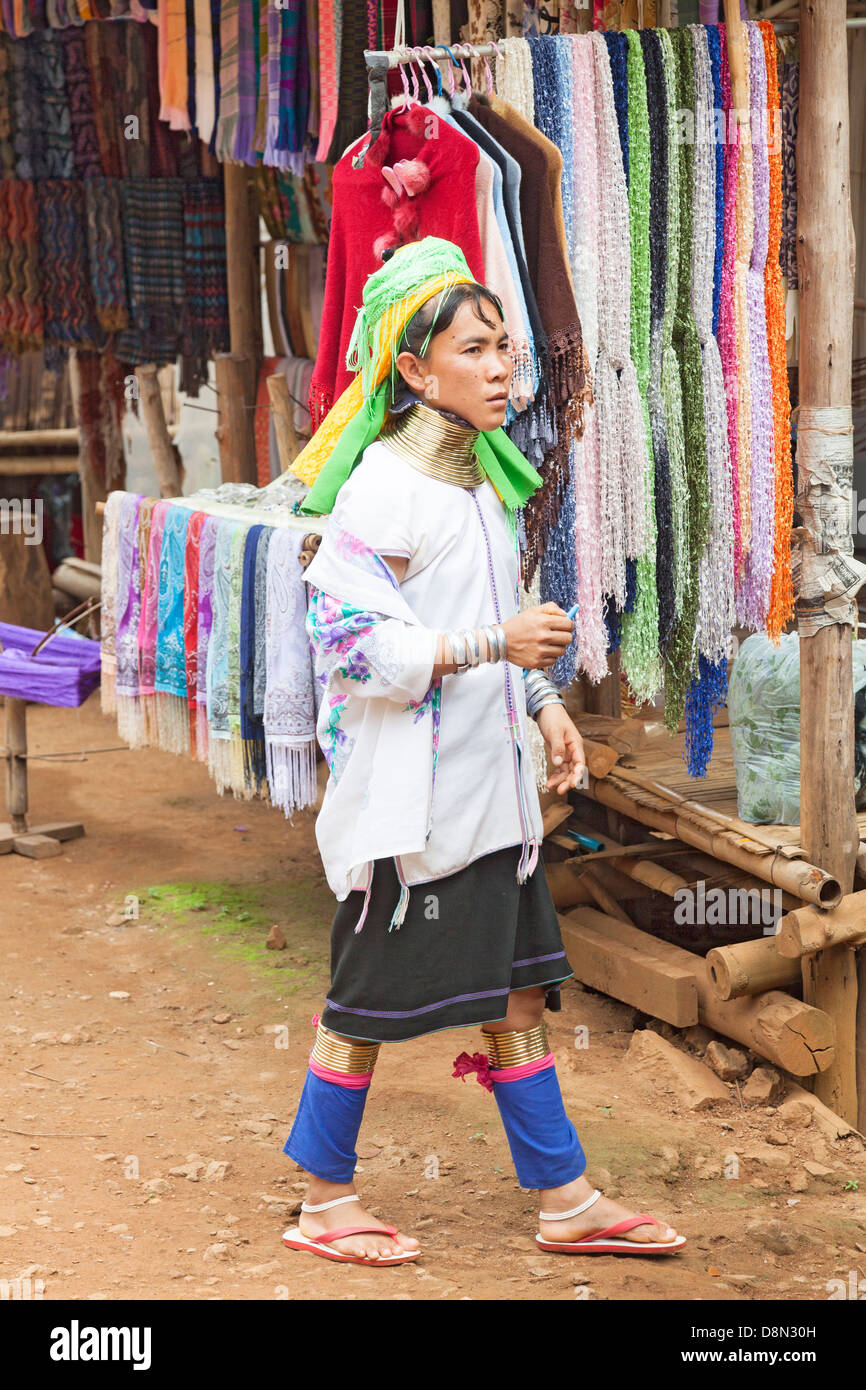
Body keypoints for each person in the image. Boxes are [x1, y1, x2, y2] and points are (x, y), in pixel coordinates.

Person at [279, 237, 686, 1267]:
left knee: (514, 995)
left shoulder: (478, 485)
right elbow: (350, 645)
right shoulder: (380, 491)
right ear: (412, 370)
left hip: (488, 802)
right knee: (364, 1000)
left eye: (505, 345)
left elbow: (496, 620)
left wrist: (542, 700)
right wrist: (492, 650)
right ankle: (324, 1200)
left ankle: (564, 1197)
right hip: (410, 813)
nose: (504, 366)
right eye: (475, 348)